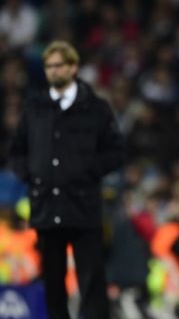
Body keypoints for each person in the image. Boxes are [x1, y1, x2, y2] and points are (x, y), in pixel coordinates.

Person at [9, 41, 124, 319]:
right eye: (49, 66)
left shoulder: (95, 108)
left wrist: (87, 171)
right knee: (53, 283)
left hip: (83, 207)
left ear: (74, 67)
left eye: (59, 65)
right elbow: (17, 151)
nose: (53, 71)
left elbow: (116, 151)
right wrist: (34, 177)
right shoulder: (35, 108)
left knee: (92, 281)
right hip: (47, 208)